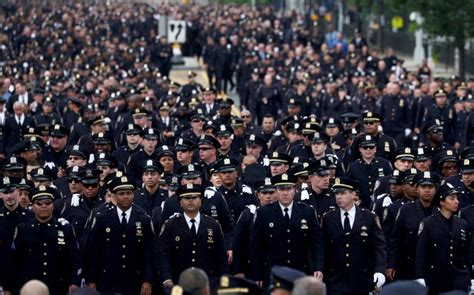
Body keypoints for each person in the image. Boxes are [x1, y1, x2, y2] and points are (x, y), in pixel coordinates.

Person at [85, 175, 155, 295]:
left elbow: (150, 253)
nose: (126, 196)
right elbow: (92, 251)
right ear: (115, 196)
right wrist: (91, 280)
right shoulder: (102, 218)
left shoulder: (144, 219)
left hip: (135, 281)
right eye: (121, 193)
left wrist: (147, 280)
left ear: (133, 195)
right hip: (107, 280)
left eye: (128, 193)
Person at [4, 186, 81, 295]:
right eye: (39, 204)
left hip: (58, 287)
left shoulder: (65, 229)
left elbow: (75, 259)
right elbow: (13, 261)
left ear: (53, 206)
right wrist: (8, 288)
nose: (44, 206)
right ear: (33, 207)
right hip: (29, 287)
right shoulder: (23, 229)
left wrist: (75, 282)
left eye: (48, 203)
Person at [251, 173, 324, 286]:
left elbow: (317, 243)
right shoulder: (264, 213)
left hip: (301, 271)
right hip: (273, 272)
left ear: (295, 190)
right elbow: (257, 246)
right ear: (276, 191)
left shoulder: (307, 212)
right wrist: (257, 274)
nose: (285, 193)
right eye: (281, 189)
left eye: (289, 188)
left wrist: (318, 267)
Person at [321, 177, 387, 295]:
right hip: (335, 280)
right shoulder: (328, 218)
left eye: (342, 193)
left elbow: (378, 246)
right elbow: (322, 247)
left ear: (353, 194)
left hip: (362, 279)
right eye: (336, 193)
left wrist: (380, 270)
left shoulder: (369, 217)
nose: (338, 197)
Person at [158, 183, 228, 288]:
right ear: (180, 202)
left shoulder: (213, 225)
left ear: (201, 200)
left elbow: (221, 257)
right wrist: (166, 278)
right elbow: (164, 254)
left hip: (207, 282)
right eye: (186, 198)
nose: (191, 200)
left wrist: (223, 281)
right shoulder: (171, 225)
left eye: (194, 197)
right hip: (178, 282)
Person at [415, 182, 471, 294]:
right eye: (452, 198)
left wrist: (471, 277)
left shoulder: (462, 223)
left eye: (457, 198)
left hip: (459, 279)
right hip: (437, 279)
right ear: (441, 202)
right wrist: (420, 276)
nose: (457, 201)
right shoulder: (428, 223)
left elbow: (467, 253)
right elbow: (421, 253)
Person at [387, 171, 440, 281]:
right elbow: (395, 239)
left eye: (430, 186)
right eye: (423, 186)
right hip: (409, 264)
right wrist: (391, 264)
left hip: (435, 265)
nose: (427, 190)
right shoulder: (406, 210)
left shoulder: (440, 210)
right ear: (417, 188)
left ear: (435, 189)